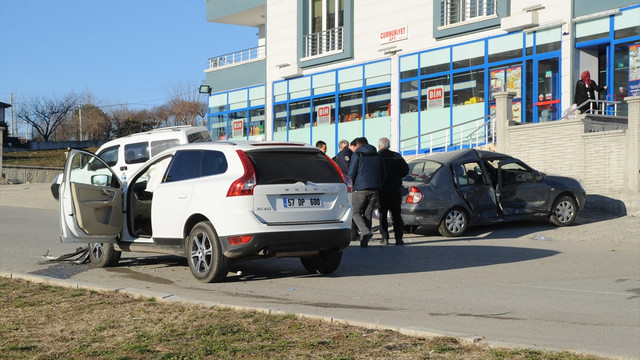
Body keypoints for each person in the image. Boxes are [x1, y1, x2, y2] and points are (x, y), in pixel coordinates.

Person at [347, 137, 385, 247]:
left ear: (358, 145)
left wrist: (350, 187)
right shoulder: (378, 155)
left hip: (360, 189)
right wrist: (378, 185)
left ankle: (365, 232)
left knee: (355, 211)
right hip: (375, 188)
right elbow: (383, 173)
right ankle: (365, 240)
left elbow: (351, 173)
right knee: (368, 213)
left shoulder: (357, 155)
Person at [377, 137, 409, 245]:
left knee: (383, 213)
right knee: (396, 213)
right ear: (389, 145)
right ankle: (398, 238)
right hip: (395, 188)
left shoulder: (377, 156)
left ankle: (385, 237)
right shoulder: (396, 156)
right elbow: (406, 170)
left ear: (379, 146)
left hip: (382, 188)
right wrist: (397, 177)